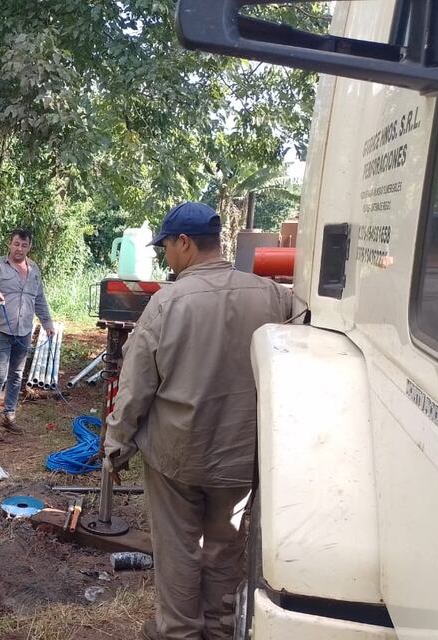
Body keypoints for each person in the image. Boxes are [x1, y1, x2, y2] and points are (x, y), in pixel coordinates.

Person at [103, 203, 292, 640]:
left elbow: (135, 386)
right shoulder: (273, 297)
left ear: (184, 243)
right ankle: (221, 630)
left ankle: (179, 631)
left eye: (166, 246)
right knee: (226, 548)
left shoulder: (167, 303)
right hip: (240, 456)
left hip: (177, 456)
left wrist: (117, 443)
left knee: (178, 549)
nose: (166, 256)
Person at [0, 228, 56, 441]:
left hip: (24, 331)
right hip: (1, 329)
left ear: (29, 247)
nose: (19, 249)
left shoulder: (34, 269)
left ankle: (9, 416)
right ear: (9, 244)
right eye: (16, 244)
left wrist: (47, 323)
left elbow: (39, 299)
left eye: (24, 245)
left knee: (16, 375)